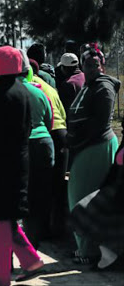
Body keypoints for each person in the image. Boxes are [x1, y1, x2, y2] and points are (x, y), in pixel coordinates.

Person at [0, 46, 44, 286]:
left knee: (0, 221)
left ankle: (1, 277)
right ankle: (31, 260)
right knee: (8, 219)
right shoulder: (22, 91)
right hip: (16, 162)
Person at [67, 44, 121, 264]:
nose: (91, 68)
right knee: (77, 199)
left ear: (102, 66)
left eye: (95, 64)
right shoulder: (89, 86)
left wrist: (75, 140)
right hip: (85, 148)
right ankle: (87, 249)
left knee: (82, 200)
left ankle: (88, 251)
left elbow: (99, 124)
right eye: (87, 65)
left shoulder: (104, 87)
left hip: (97, 147)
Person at [70, 116, 124, 271]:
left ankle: (112, 256)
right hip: (116, 190)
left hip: (119, 193)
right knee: (82, 211)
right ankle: (108, 252)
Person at [29, 58, 69, 239]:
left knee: (40, 188)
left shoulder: (29, 87)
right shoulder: (49, 87)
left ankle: (41, 231)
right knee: (57, 187)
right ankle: (57, 229)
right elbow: (61, 112)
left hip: (46, 135)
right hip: (61, 135)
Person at [18, 51, 54, 249]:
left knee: (25, 199)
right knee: (41, 196)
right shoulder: (40, 91)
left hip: (24, 147)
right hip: (44, 145)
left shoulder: (10, 92)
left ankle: (29, 246)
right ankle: (37, 240)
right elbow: (49, 121)